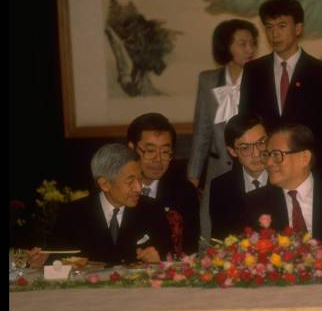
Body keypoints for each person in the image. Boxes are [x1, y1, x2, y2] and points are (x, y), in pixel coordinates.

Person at [239, 0, 322, 184]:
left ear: (298, 28)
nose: (274, 34)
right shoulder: (253, 70)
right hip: (266, 172)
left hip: (310, 173)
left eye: (281, 26)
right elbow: (246, 122)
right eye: (269, 27)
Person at [187, 19, 259, 242]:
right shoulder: (208, 79)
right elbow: (202, 131)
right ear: (226, 46)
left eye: (252, 43)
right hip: (218, 169)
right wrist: (193, 175)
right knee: (210, 229)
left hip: (254, 166)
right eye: (242, 43)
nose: (249, 49)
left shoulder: (261, 78)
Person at [47, 144, 172, 266]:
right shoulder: (72, 214)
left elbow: (167, 256)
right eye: (130, 181)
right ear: (104, 184)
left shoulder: (152, 210)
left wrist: (157, 261)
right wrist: (38, 262)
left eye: (139, 179)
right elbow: (56, 261)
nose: (138, 188)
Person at [244, 124, 322, 250]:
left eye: (276, 155)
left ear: (304, 158)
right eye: (267, 155)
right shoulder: (253, 204)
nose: (268, 163)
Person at [127, 113, 199, 255]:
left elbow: (191, 249)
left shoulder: (184, 192)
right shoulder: (116, 189)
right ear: (131, 148)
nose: (158, 159)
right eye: (150, 151)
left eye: (165, 152)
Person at [209, 113, 268, 240]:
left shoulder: (284, 179)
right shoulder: (221, 187)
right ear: (232, 151)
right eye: (245, 148)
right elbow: (219, 240)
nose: (256, 153)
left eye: (261, 142)